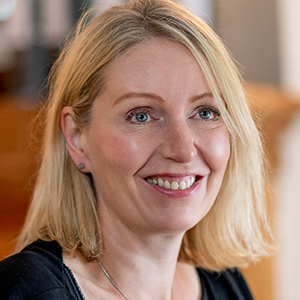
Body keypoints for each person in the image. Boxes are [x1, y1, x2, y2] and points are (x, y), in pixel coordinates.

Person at [0, 0, 272, 299]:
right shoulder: (27, 291)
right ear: (77, 138)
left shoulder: (225, 285)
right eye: (141, 115)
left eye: (206, 112)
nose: (183, 150)